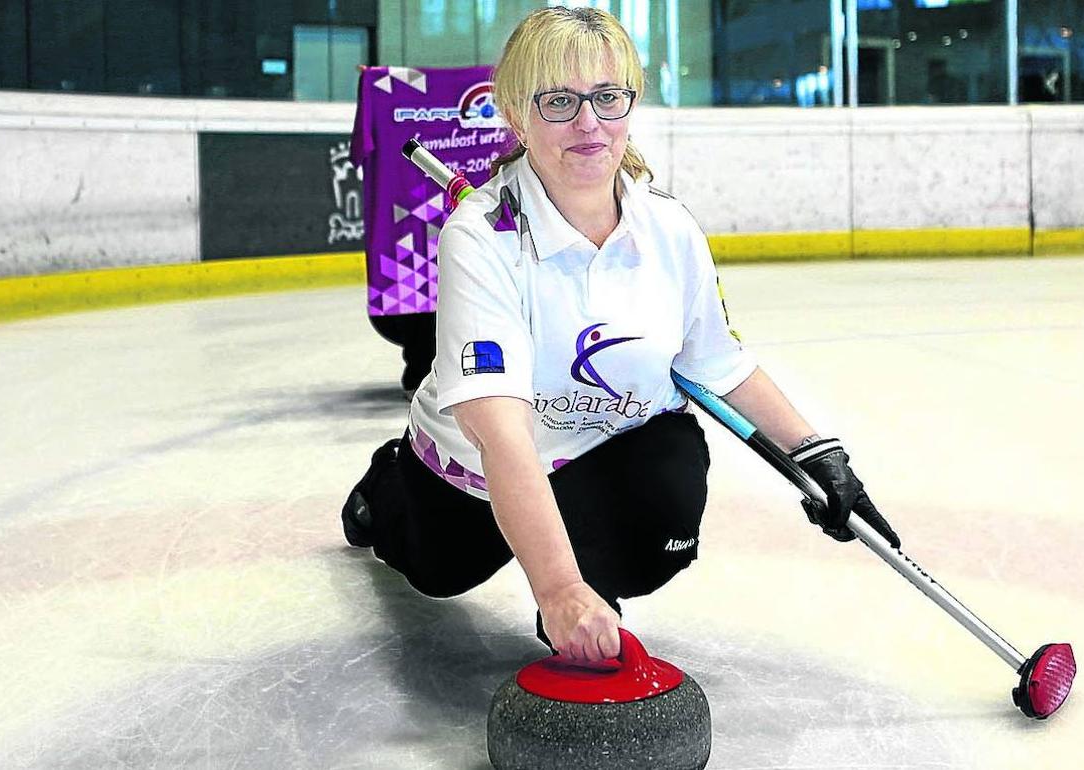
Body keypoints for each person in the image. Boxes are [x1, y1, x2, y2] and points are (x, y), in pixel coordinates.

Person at [341, 7, 900, 664]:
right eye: (559, 101)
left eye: (607, 97)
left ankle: (596, 578)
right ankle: (388, 485)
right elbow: (500, 433)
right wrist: (558, 588)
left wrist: (817, 452)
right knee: (438, 573)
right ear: (518, 117)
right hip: (476, 471)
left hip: (593, 450)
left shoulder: (669, 228)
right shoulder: (479, 236)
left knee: (660, 512)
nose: (589, 122)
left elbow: (717, 363)